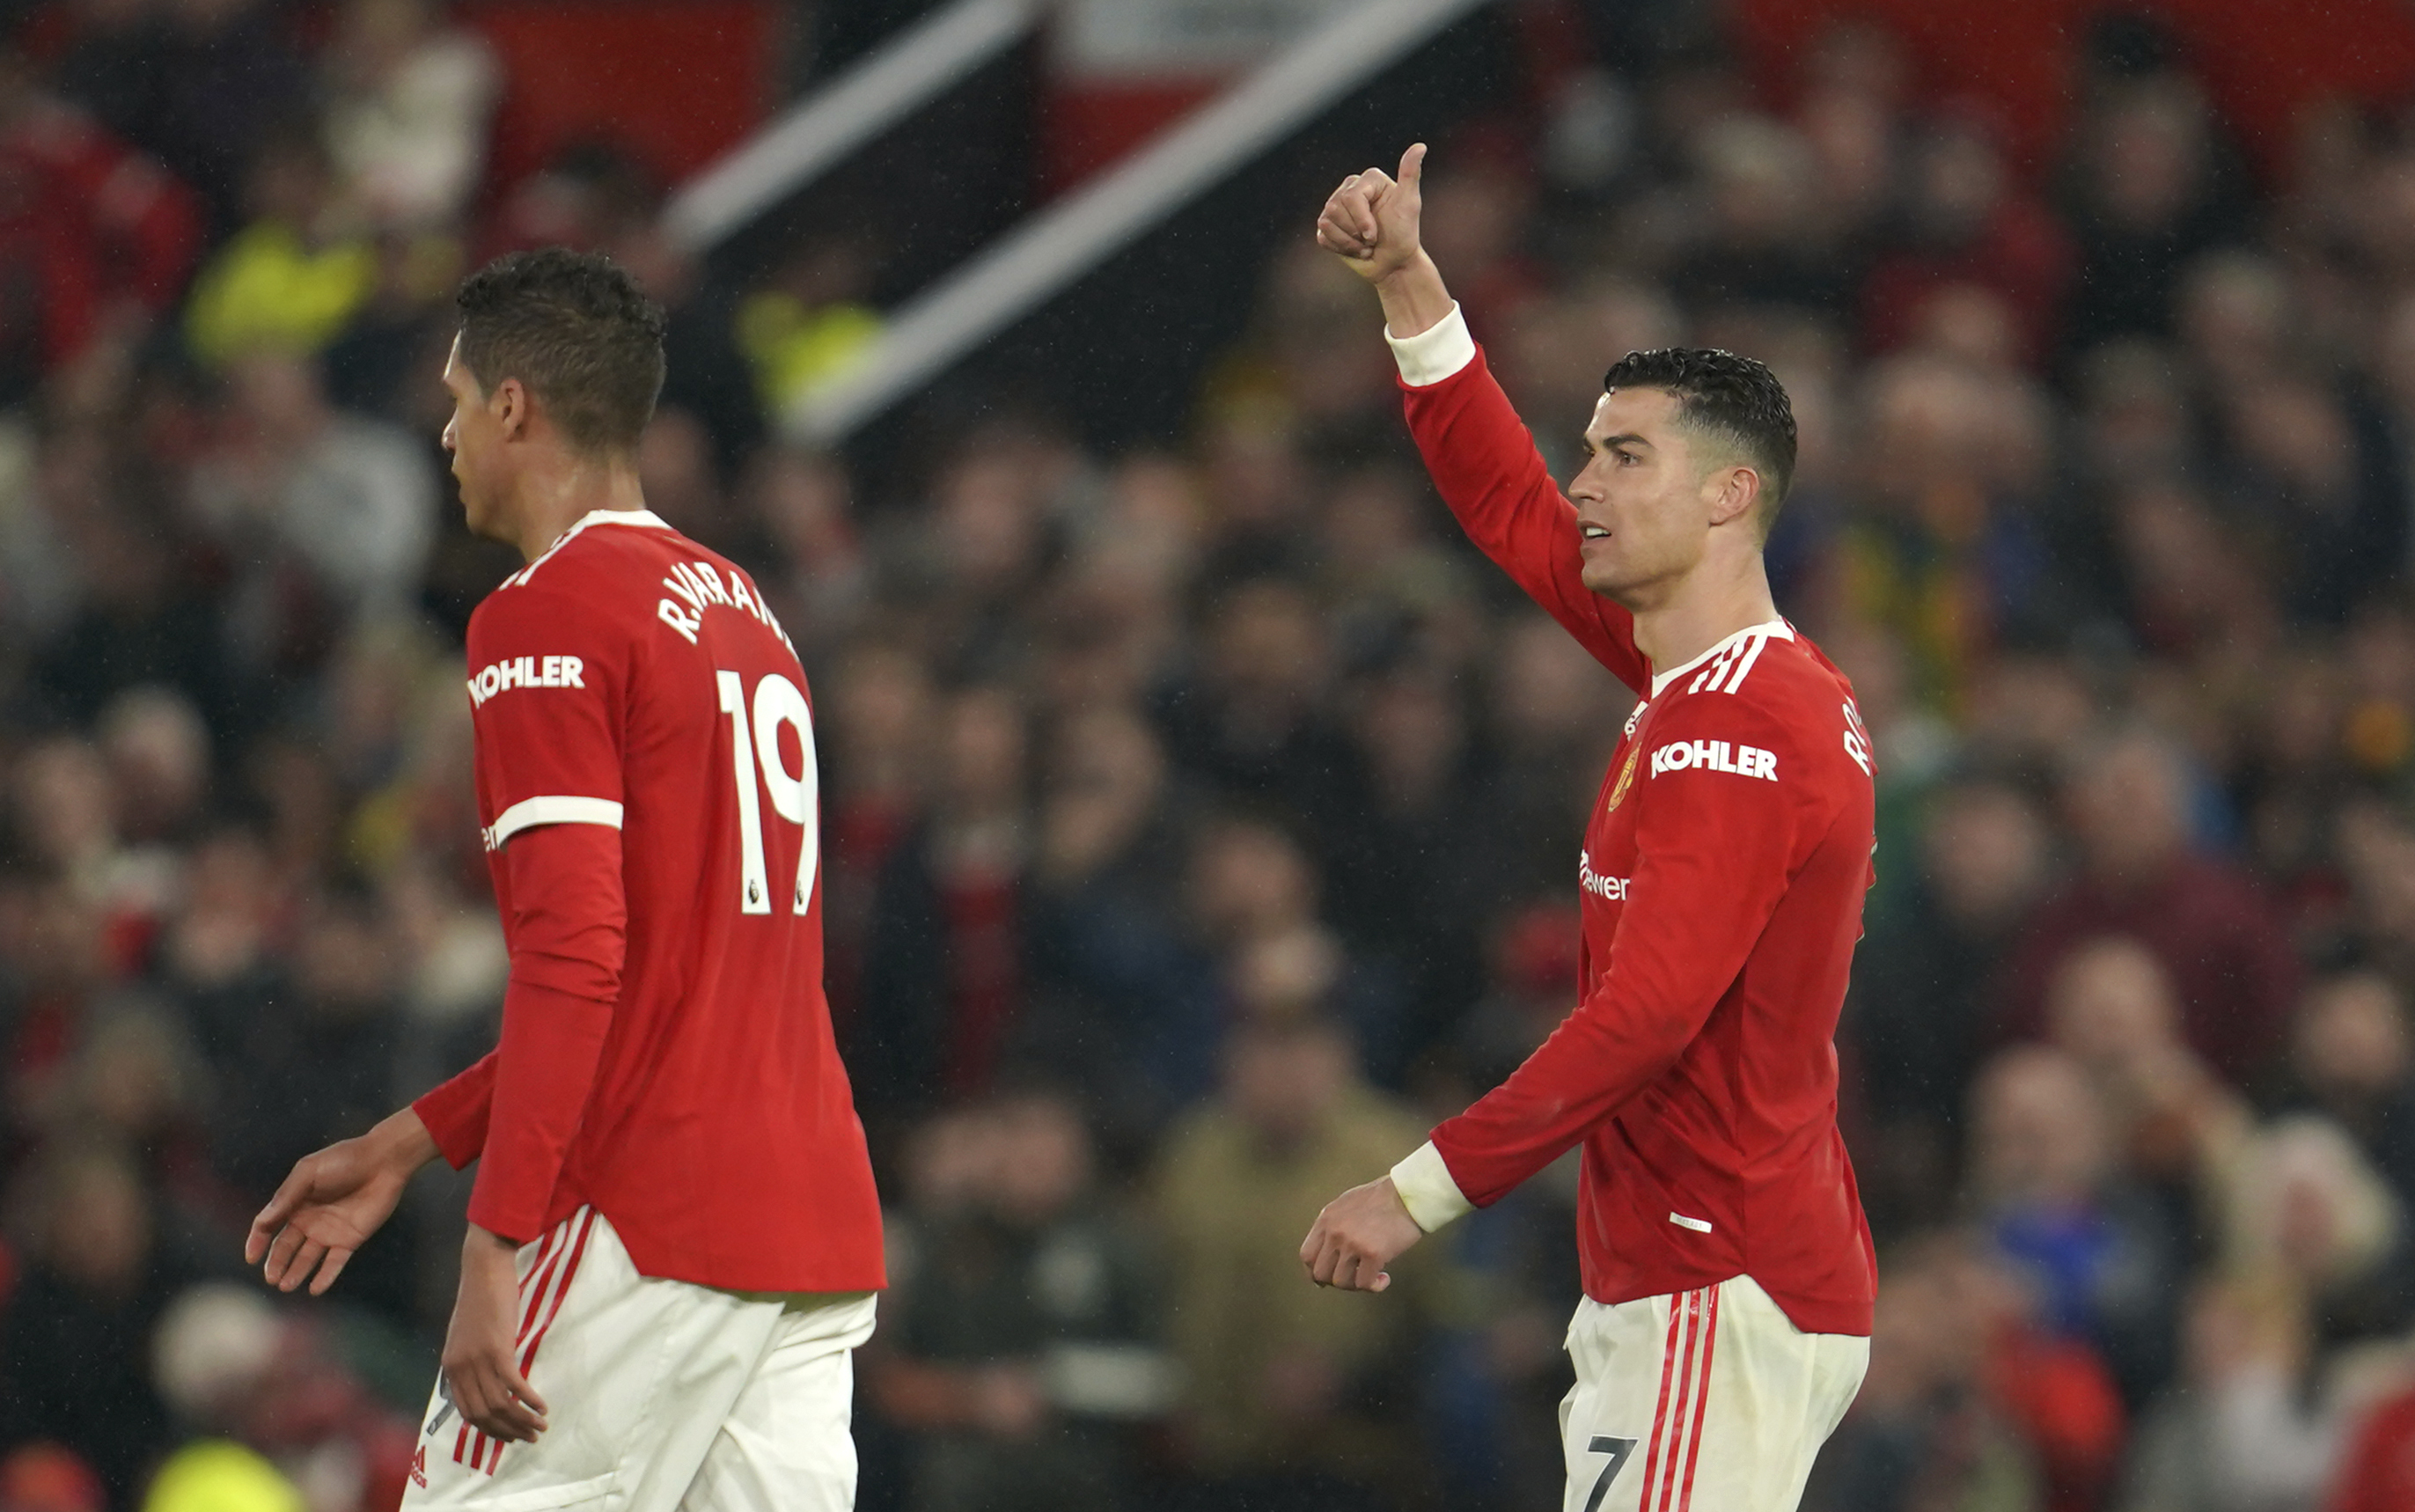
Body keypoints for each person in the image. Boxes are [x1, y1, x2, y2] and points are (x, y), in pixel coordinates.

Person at [240, 248, 885, 1511]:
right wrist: (411, 1139)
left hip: (646, 1219)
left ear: (514, 405)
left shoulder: (544, 616)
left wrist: (495, 1246)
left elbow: (575, 962)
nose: (446, 435)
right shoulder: (747, 611)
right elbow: (663, 983)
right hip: (807, 1222)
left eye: (456, 402)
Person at [1298, 145, 1877, 1511]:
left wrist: (1413, 1190)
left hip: (1711, 1270)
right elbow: (1509, 506)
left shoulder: (1737, 728)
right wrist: (1409, 283)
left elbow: (1647, 1015)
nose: (1584, 483)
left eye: (1625, 456)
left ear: (1730, 494)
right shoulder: (1709, 682)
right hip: (1709, 1266)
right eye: (1589, 452)